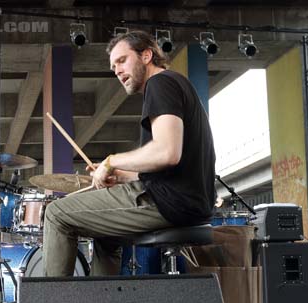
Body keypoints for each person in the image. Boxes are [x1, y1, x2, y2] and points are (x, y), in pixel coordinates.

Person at [42, 30, 216, 276]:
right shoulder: (176, 84)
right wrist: (124, 175)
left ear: (147, 55)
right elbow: (171, 165)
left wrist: (111, 161)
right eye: (114, 67)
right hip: (186, 201)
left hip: (170, 204)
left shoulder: (160, 83)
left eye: (122, 60)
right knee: (105, 235)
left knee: (56, 213)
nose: (117, 71)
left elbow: (167, 152)